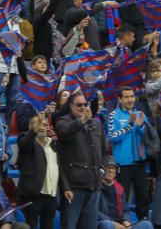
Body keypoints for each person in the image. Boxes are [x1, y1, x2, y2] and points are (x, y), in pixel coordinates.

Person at [56, 91, 106, 229]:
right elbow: (65, 133)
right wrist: (81, 121)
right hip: (74, 187)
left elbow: (105, 152)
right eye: (79, 105)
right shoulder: (63, 121)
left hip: (94, 185)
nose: (83, 107)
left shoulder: (96, 125)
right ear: (71, 105)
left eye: (85, 104)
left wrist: (102, 169)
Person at [106, 87, 156, 220]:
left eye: (132, 96)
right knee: (122, 196)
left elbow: (146, 136)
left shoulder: (141, 114)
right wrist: (129, 125)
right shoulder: (113, 115)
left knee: (143, 197)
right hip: (122, 163)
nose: (130, 100)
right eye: (126, 97)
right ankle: (121, 223)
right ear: (120, 99)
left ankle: (143, 222)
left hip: (140, 162)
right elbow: (112, 137)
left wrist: (139, 126)